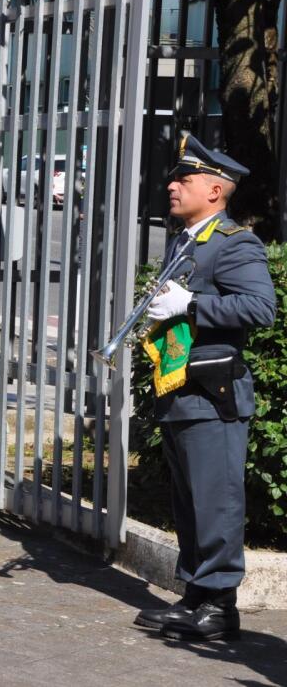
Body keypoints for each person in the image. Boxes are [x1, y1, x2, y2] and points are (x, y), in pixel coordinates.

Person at [133, 133, 275, 641]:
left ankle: (220, 607)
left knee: (216, 502)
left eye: (183, 179)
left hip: (214, 397)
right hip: (182, 390)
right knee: (191, 504)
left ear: (215, 191)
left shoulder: (235, 243)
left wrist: (189, 305)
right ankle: (195, 594)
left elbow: (261, 309)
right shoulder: (184, 240)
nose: (172, 187)